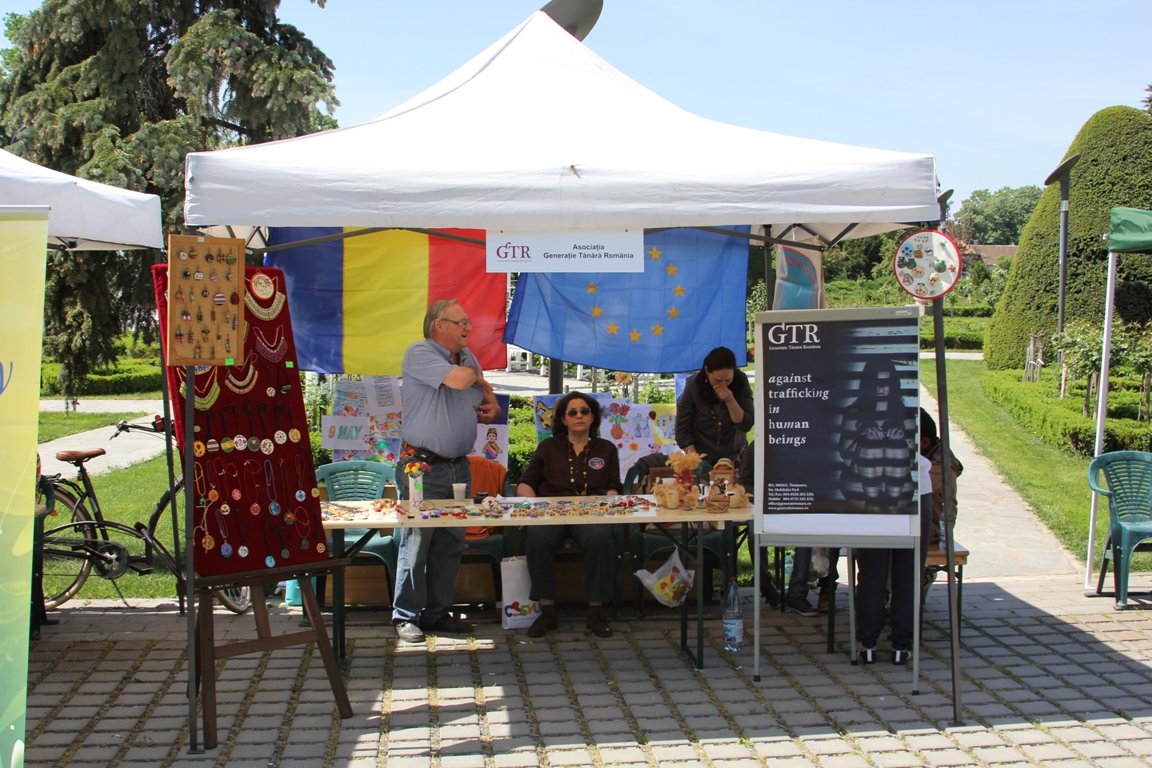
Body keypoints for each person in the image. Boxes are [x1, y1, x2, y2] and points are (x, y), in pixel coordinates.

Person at [391, 299, 501, 644]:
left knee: (452, 542)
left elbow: (484, 393)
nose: (469, 327)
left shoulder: (468, 358)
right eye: (461, 322)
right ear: (439, 325)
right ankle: (406, 616)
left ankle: (437, 613)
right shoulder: (420, 352)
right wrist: (474, 376)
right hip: (421, 467)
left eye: (468, 321)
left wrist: (491, 404)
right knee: (416, 542)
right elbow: (459, 380)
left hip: (458, 467)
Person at [515, 392, 623, 638]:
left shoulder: (606, 448)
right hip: (552, 511)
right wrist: (531, 510)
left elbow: (613, 485)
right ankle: (547, 612)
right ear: (563, 419)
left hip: (591, 512)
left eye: (585, 411)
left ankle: (595, 611)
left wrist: (610, 500)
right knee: (538, 538)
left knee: (600, 538)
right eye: (572, 412)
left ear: (593, 417)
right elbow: (525, 483)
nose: (579, 416)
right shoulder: (548, 447)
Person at [855, 451, 933, 664]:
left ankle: (868, 644)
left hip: (871, 484)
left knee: (872, 574)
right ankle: (901, 646)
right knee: (908, 574)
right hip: (913, 482)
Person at [675, 346, 754, 464]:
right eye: (717, 380)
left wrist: (730, 400)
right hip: (702, 455)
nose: (723, 385)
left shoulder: (741, 381)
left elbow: (746, 424)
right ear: (707, 371)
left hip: (733, 455)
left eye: (728, 380)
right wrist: (696, 462)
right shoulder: (694, 386)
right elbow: (682, 432)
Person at [920, 408, 964, 547]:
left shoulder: (942, 465)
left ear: (925, 442)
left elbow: (913, 489)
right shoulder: (927, 453)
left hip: (931, 529)